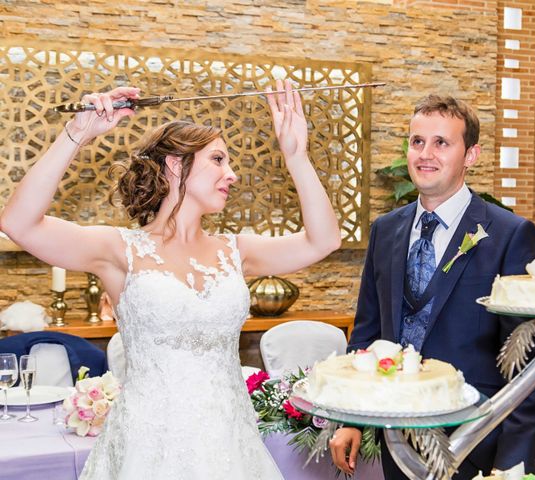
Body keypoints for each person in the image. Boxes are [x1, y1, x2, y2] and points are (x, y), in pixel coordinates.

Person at [0, 80, 341, 479]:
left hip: (229, 444)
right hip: (147, 448)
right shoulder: (118, 250)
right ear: (176, 165)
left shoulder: (236, 251)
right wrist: (75, 134)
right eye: (218, 159)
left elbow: (324, 240)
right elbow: (17, 223)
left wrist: (296, 156)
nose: (231, 174)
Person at [329, 94, 535, 479]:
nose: (425, 154)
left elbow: (528, 365)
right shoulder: (385, 230)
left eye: (441, 143)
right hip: (396, 441)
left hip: (477, 444)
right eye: (417, 141)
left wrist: (511, 463)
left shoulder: (510, 235)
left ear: (471, 156)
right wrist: (351, 418)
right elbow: (367, 331)